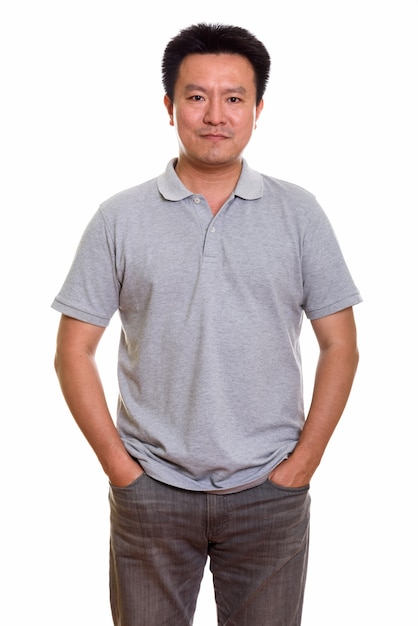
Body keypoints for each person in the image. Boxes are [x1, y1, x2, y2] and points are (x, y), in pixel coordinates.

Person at [52, 23, 362, 626]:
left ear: (257, 109)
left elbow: (340, 345)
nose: (214, 114)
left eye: (234, 98)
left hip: (270, 493)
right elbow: (72, 352)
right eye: (196, 97)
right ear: (169, 107)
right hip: (152, 492)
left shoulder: (299, 213)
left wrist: (301, 467)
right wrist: (124, 472)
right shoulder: (119, 218)